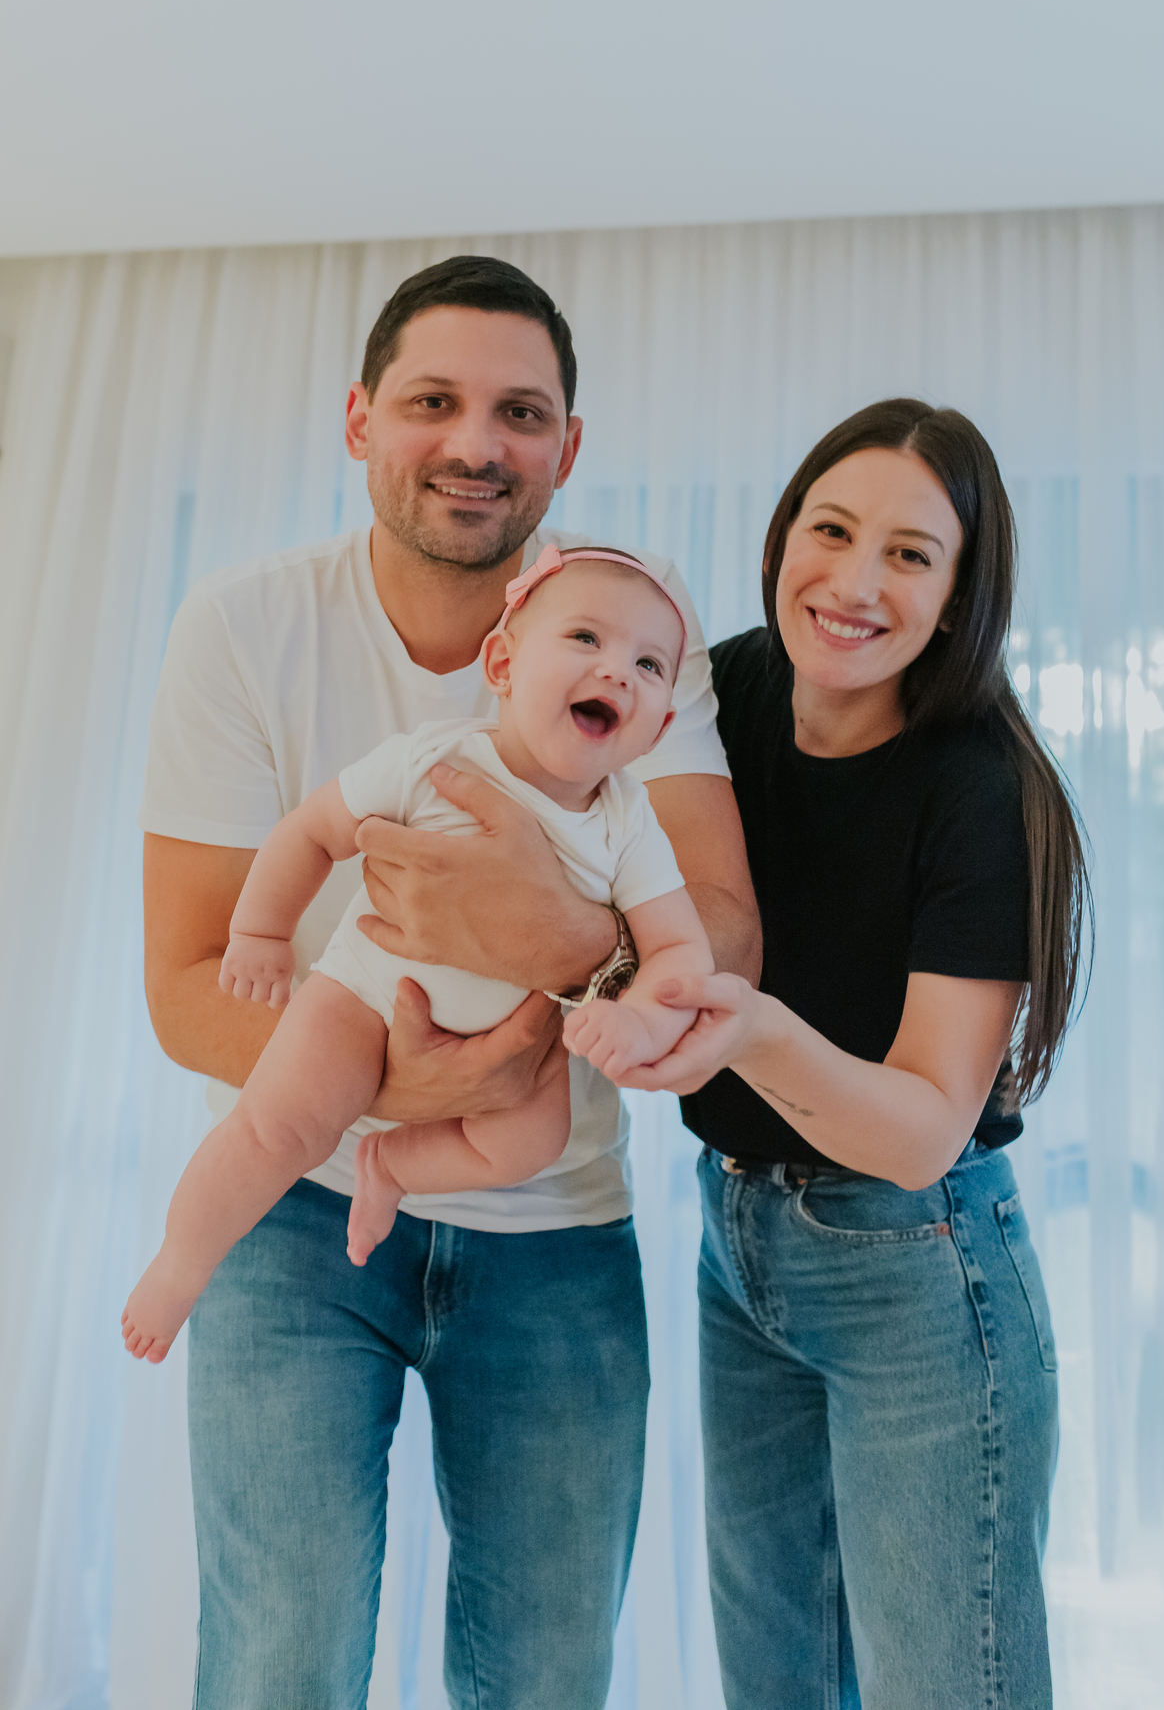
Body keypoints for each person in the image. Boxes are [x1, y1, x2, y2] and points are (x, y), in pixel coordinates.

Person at [138, 255, 760, 1709]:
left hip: (557, 1242)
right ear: (361, 420)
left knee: (544, 1676)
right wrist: (402, 1085)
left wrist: (556, 938)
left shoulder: (629, 642)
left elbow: (723, 941)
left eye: (519, 412)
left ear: (567, 448)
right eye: (434, 401)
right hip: (293, 1220)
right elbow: (186, 983)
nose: (477, 443)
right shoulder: (246, 630)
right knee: (276, 1662)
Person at [602, 400, 1090, 1710]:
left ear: (960, 596)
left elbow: (927, 1122)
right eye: (832, 528)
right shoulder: (724, 689)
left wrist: (745, 1022)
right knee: (779, 1683)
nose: (856, 581)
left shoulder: (982, 790)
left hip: (916, 1267)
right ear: (783, 534)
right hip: (735, 1242)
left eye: (912, 555)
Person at [124, 545, 714, 1359]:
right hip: (363, 999)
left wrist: (643, 1022)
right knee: (281, 1123)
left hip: (523, 1049)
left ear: (660, 726)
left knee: (530, 1143)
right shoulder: (436, 759)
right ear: (503, 663)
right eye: (585, 639)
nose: (617, 671)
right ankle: (179, 1264)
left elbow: (682, 950)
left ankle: (395, 1165)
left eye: (648, 664)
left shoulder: (628, 826)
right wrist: (260, 931)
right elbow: (312, 832)